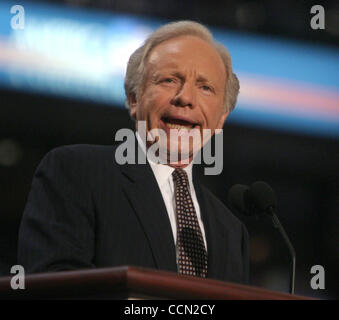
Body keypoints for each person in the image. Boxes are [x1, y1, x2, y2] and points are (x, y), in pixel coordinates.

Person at [18, 21, 249, 284]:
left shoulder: (231, 231)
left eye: (205, 87)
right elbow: (54, 289)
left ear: (220, 119)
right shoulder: (76, 172)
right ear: (134, 99)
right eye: (169, 80)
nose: (186, 98)